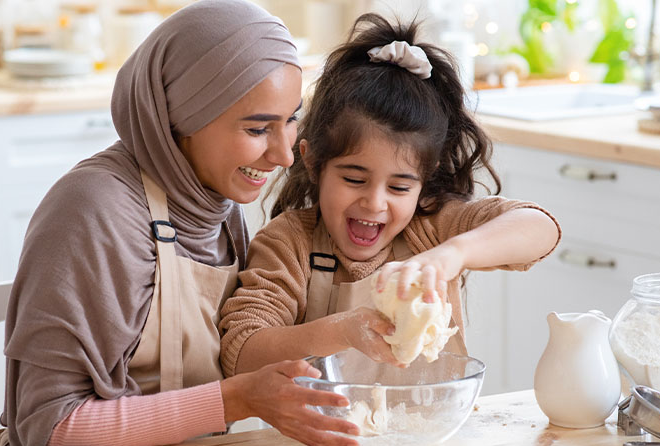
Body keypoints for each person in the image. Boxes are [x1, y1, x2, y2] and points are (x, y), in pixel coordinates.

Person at [0, 0, 360, 446]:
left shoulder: (216, 202)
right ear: (181, 118)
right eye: (257, 128)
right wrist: (236, 400)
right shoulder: (93, 212)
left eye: (291, 119)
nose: (285, 156)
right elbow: (46, 433)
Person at [219, 13, 562, 378]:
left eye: (399, 187)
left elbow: (541, 229)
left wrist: (452, 254)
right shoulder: (290, 243)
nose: (375, 203)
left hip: (430, 429)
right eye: (354, 179)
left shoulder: (430, 227)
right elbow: (241, 353)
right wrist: (342, 331)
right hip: (313, 434)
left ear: (424, 182)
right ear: (314, 162)